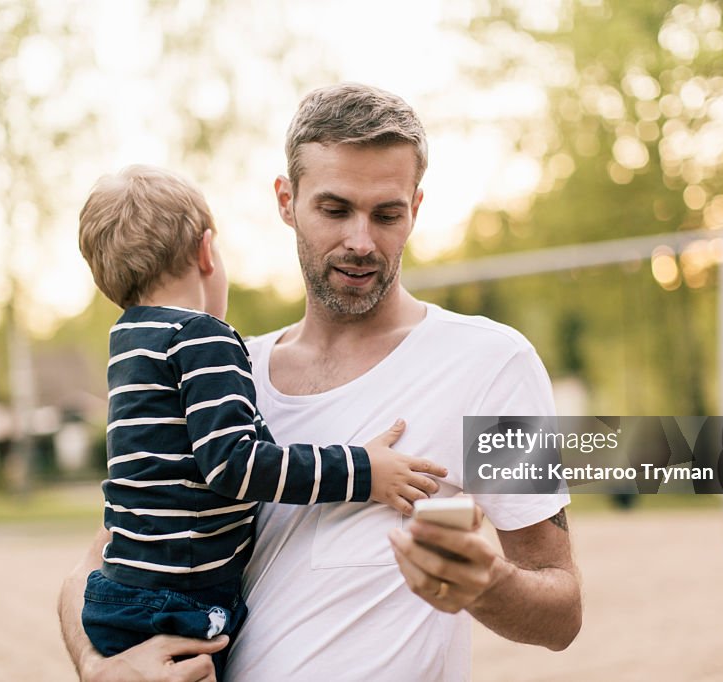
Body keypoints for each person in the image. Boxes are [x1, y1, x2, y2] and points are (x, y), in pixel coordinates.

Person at [59, 83, 582, 682]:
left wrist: (488, 585)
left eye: (387, 214)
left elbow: (561, 610)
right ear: (287, 201)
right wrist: (100, 667)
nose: (361, 241)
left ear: (416, 207)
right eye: (335, 210)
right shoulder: (220, 371)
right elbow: (94, 567)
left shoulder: (494, 363)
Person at [72, 164, 448, 677]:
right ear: (206, 251)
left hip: (121, 595)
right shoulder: (205, 337)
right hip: (180, 602)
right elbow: (234, 465)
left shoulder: (129, 345)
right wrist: (363, 472)